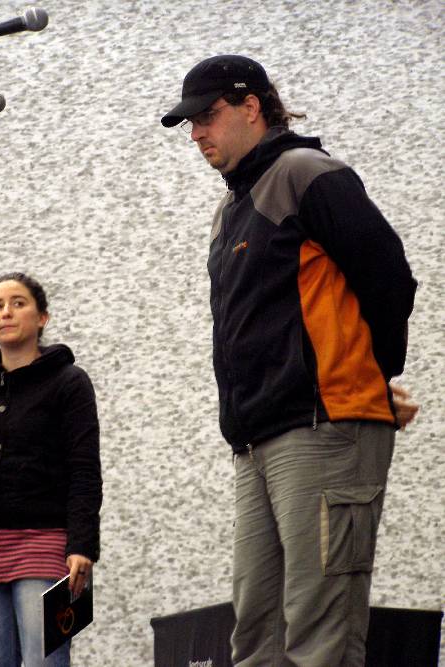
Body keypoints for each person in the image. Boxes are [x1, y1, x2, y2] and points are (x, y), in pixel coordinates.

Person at [161, 55, 419, 666]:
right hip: (257, 441)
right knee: (256, 637)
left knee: (319, 636)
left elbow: (389, 278)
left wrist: (371, 375)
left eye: (207, 116)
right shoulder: (231, 211)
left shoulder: (307, 173)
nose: (196, 133)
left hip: (322, 429)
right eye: (189, 123)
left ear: (251, 106)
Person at [0, 272, 102, 667]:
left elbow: (84, 469)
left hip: (49, 547)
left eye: (18, 303)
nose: (6, 312)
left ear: (42, 317)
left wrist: (83, 545)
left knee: (46, 661)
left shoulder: (70, 381)